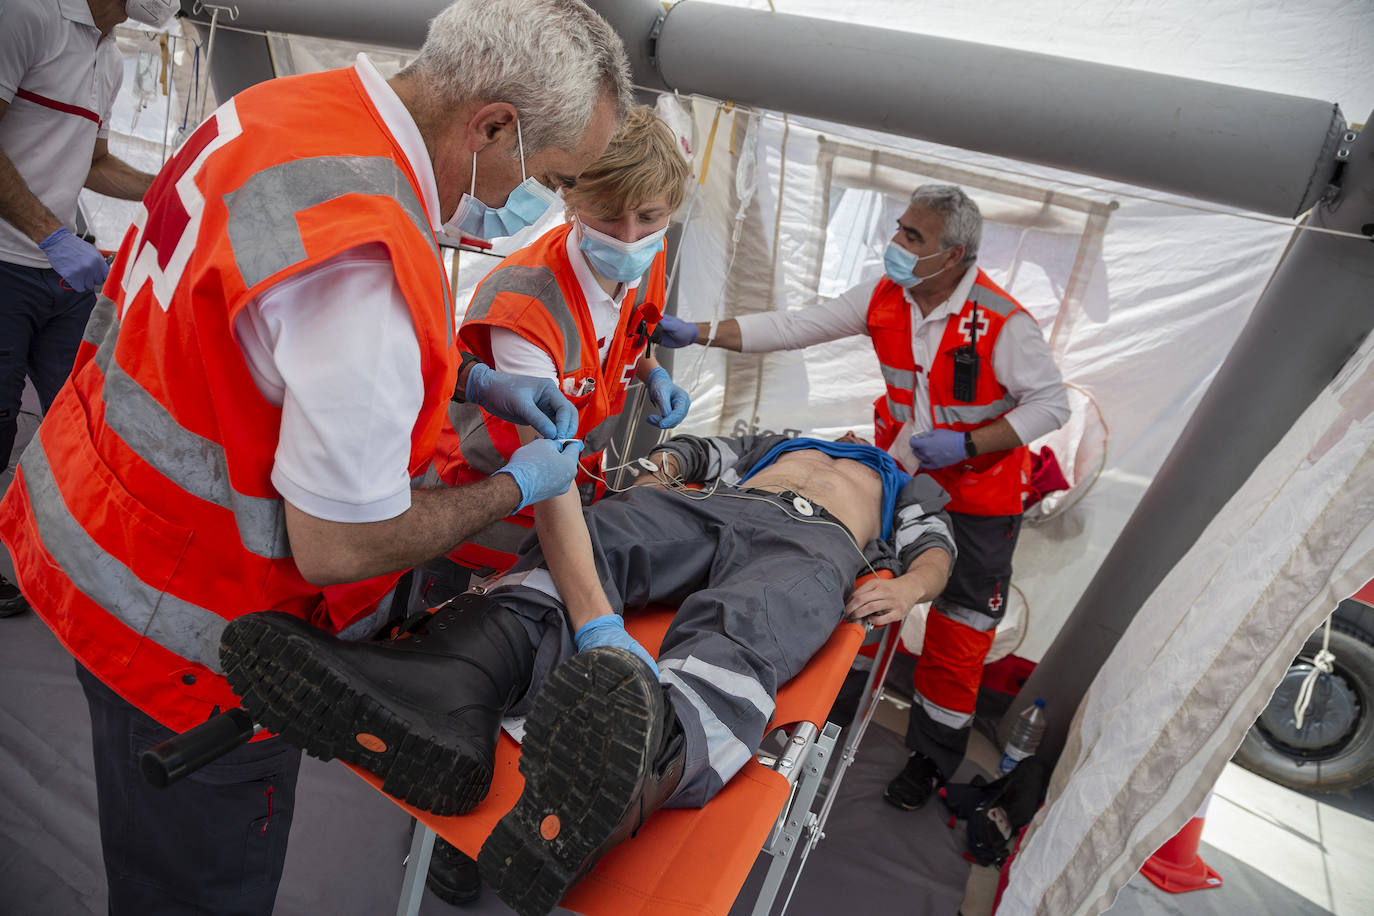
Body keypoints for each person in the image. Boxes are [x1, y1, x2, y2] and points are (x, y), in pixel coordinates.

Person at [0, 1, 632, 913]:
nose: (528, 203)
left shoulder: (278, 111)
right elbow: (339, 545)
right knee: (192, 890)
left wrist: (465, 380)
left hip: (97, 532)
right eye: (551, 175)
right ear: (492, 123)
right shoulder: (370, 253)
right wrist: (511, 486)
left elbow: (256, 333)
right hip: (193, 638)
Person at [218, 428, 955, 915]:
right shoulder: (783, 440)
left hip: (818, 547)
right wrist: (670, 464)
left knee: (748, 621)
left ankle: (644, 757)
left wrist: (912, 586)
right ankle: (457, 681)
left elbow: (936, 547)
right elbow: (708, 453)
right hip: (724, 507)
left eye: (866, 437)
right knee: (607, 531)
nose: (856, 436)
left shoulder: (898, 484)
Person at [654, 184, 1070, 809]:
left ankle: (930, 760)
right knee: (860, 591)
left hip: (979, 499)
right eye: (899, 228)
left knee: (959, 634)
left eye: (913, 236)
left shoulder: (1002, 323)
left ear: (954, 255)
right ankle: (831, 705)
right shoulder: (886, 296)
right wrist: (698, 333)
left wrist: (970, 444)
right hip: (900, 481)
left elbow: (1053, 405)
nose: (895, 244)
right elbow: (795, 326)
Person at [422, 103, 691, 905]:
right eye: (609, 212)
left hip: (564, 502)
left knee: (537, 674)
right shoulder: (524, 304)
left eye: (651, 215)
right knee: (471, 691)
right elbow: (544, 480)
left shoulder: (645, 253)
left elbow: (627, 332)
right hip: (483, 511)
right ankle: (449, 841)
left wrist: (647, 373)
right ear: (570, 196)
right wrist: (597, 618)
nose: (632, 230)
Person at [0, 0, 167, 616]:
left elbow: (92, 163)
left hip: (59, 275)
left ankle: (57, 558)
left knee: (81, 416)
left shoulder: (110, 59)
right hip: (6, 263)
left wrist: (168, 186)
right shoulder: (26, 18)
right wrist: (50, 233)